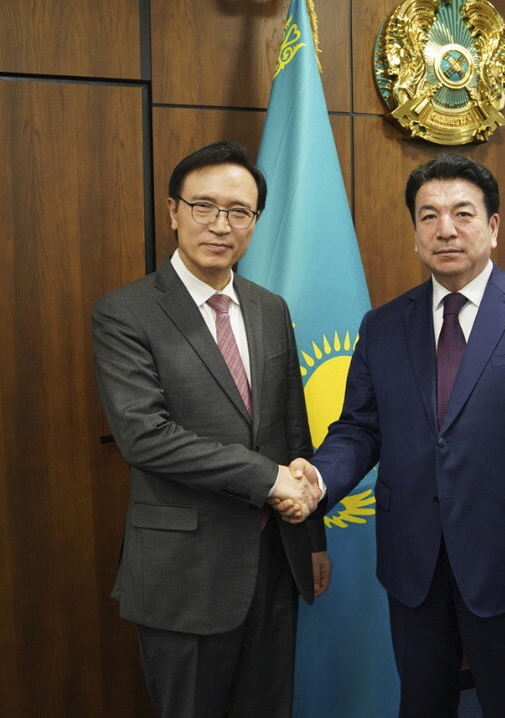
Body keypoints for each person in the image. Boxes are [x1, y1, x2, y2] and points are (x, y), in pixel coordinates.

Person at [289, 153, 505, 717]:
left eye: (463, 213)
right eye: (428, 215)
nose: (446, 229)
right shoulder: (383, 325)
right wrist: (318, 478)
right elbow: (360, 427)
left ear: (493, 226)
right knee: (422, 704)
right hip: (413, 561)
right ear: (415, 233)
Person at [92, 140, 329, 718]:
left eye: (239, 211)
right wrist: (268, 478)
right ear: (174, 211)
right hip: (184, 572)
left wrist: (313, 537)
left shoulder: (270, 307)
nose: (221, 225)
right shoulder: (125, 312)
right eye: (204, 206)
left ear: (255, 223)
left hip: (275, 559)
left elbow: (292, 430)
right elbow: (145, 436)